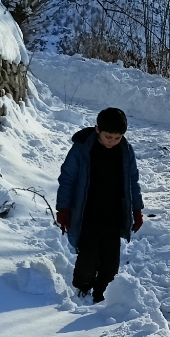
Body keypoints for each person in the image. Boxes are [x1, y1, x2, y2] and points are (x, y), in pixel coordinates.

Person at [56, 107, 144, 304]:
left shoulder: (125, 151)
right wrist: (63, 209)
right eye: (108, 136)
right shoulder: (81, 149)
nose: (112, 142)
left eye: (117, 138)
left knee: (111, 264)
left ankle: (102, 295)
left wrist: (137, 210)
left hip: (113, 215)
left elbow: (132, 182)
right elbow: (68, 179)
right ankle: (82, 289)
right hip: (87, 213)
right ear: (97, 130)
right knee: (88, 259)